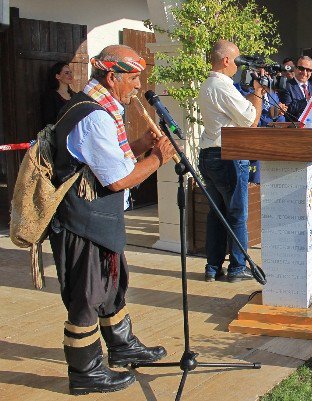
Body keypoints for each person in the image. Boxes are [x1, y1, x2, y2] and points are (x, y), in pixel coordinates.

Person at [49, 44, 173, 395]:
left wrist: (138, 145)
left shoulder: (101, 108)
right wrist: (158, 158)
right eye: (133, 78)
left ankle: (122, 346)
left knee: (113, 286)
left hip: (99, 218)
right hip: (83, 222)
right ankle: (85, 371)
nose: (137, 86)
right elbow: (117, 180)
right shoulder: (94, 116)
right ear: (111, 76)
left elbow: (108, 162)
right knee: (87, 296)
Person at [197, 39, 264, 282]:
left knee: (217, 213)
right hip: (228, 156)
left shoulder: (209, 84)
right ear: (226, 60)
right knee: (236, 213)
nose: (238, 65)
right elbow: (250, 120)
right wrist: (258, 91)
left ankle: (213, 267)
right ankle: (237, 267)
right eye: (236, 60)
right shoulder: (222, 85)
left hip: (210, 153)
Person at [279, 55, 312, 120]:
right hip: (296, 127)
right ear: (295, 69)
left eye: (308, 70)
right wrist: (309, 100)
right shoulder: (286, 86)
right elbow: (288, 110)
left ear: (311, 71)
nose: (304, 72)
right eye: (301, 68)